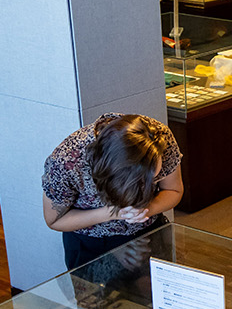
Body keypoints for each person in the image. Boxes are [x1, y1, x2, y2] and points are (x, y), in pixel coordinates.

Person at [42, 113, 183, 270]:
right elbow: (54, 220)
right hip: (91, 243)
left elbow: (173, 190)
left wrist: (144, 210)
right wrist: (116, 213)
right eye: (139, 181)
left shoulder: (160, 140)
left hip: (148, 233)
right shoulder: (66, 161)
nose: (146, 185)